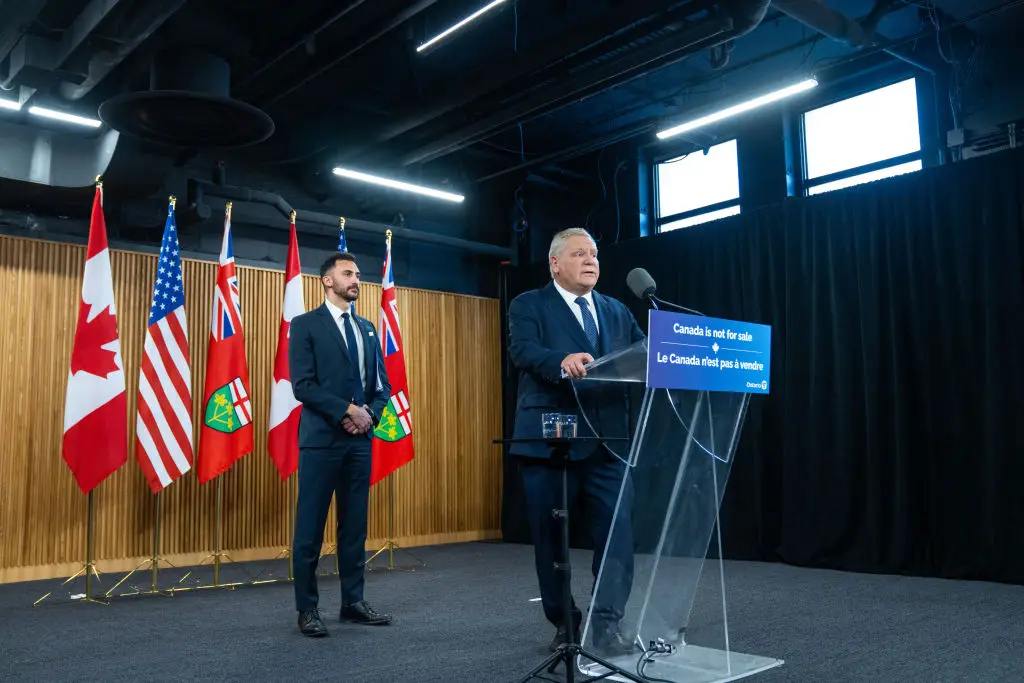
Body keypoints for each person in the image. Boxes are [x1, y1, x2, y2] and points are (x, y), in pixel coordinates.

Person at [507, 227, 643, 655]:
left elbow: (643, 353)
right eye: (579, 254)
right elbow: (522, 350)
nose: (590, 261)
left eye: (595, 254)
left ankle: (607, 625)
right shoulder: (529, 304)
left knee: (618, 536)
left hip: (609, 442)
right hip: (552, 441)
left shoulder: (617, 310)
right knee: (552, 539)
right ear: (555, 263)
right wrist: (559, 360)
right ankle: (565, 624)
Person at [288, 251, 393, 637]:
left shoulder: (367, 328)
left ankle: (353, 603)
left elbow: (382, 386)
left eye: (358, 274)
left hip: (359, 443)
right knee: (310, 529)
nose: (356, 280)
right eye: (348, 273)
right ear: (327, 280)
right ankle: (307, 609)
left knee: (354, 527)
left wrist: (368, 415)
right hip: (321, 442)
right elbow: (303, 385)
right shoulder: (305, 325)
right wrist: (348, 410)